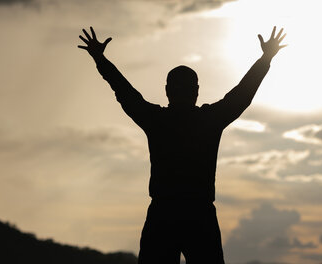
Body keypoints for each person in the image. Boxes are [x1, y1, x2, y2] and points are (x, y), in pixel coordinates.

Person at [78, 26, 286, 264]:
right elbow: (242, 95)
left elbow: (124, 92)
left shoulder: (156, 119)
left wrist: (100, 59)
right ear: (196, 91)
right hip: (199, 216)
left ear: (167, 91)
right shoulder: (209, 119)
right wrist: (266, 58)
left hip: (163, 216)